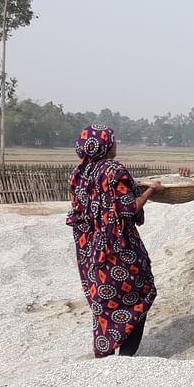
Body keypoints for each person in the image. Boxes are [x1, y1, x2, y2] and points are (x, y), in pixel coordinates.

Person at [66, 124, 165, 357]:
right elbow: (128, 209)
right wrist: (151, 191)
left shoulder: (78, 173)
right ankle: (126, 356)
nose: (116, 144)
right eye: (113, 140)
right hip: (118, 249)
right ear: (106, 145)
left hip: (90, 251)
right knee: (142, 294)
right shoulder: (113, 170)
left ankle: (106, 353)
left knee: (104, 303)